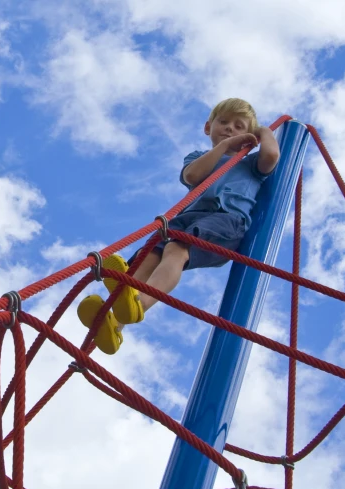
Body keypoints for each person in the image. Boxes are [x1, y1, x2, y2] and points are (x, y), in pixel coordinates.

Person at [77, 98, 281, 355]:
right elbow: (193, 176)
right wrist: (227, 145)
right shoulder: (198, 157)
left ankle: (140, 304)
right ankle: (115, 323)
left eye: (239, 126)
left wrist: (263, 132)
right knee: (146, 258)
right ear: (208, 127)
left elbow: (272, 155)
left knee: (177, 249)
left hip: (226, 221)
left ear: (249, 135)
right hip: (189, 216)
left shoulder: (251, 165)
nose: (230, 129)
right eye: (224, 122)